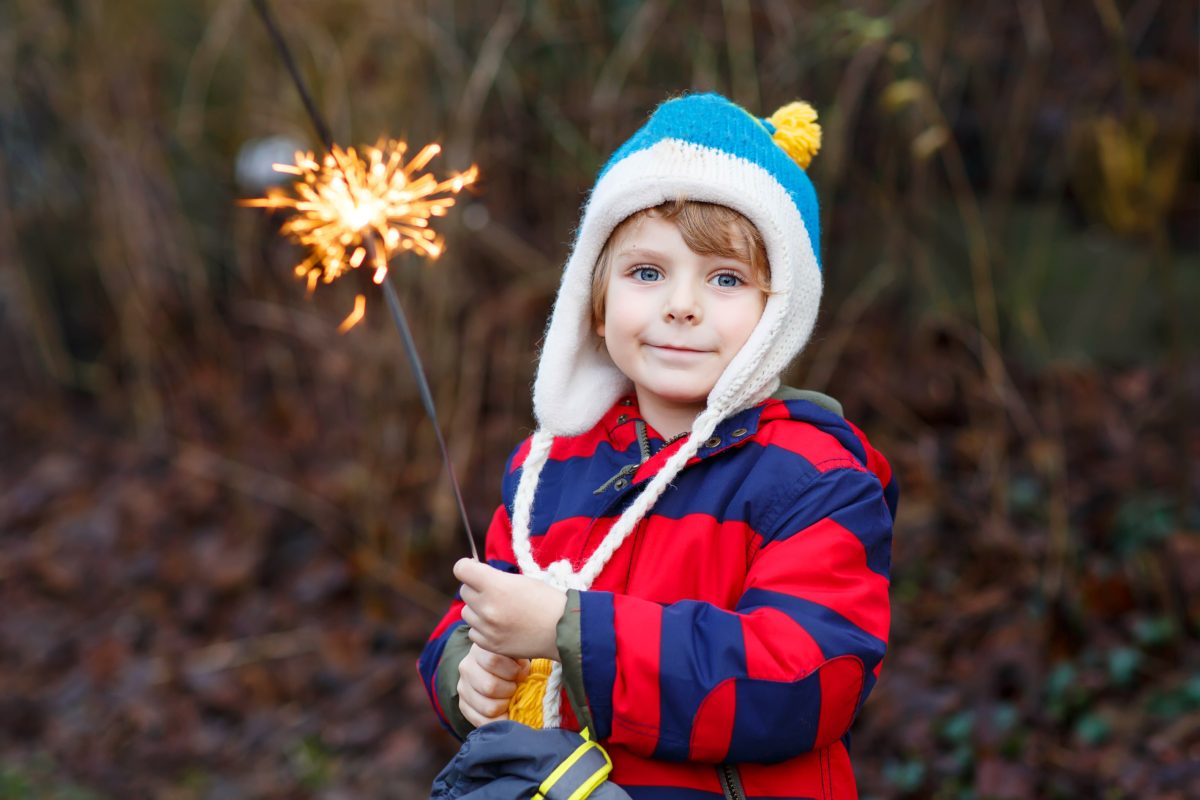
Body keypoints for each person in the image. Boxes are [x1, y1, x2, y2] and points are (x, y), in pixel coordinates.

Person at [418, 92, 898, 799]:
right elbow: (480, 608)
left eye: (726, 278)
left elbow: (804, 678)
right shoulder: (548, 469)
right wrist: (468, 671)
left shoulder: (814, 477)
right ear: (597, 297)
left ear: (781, 311)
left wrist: (570, 633)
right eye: (647, 272)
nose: (681, 304)